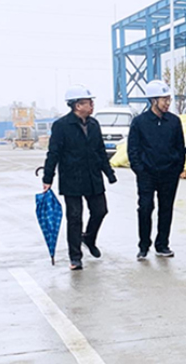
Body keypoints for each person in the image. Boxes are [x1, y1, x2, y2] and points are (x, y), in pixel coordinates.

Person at [41, 84, 116, 270]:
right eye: (88, 103)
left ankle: (89, 238)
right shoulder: (61, 126)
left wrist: (109, 173)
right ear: (77, 105)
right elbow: (53, 153)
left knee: (100, 211)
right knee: (74, 218)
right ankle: (75, 257)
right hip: (72, 178)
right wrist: (47, 178)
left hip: (93, 177)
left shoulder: (94, 124)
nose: (92, 106)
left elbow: (100, 151)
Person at [127, 80, 185, 260]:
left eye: (168, 99)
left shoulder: (174, 121)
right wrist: (140, 169)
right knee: (145, 208)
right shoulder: (139, 122)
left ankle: (162, 244)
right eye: (164, 99)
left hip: (169, 174)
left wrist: (177, 168)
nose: (167, 103)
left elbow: (180, 147)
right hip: (147, 174)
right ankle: (144, 245)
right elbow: (133, 149)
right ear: (153, 100)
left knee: (166, 209)